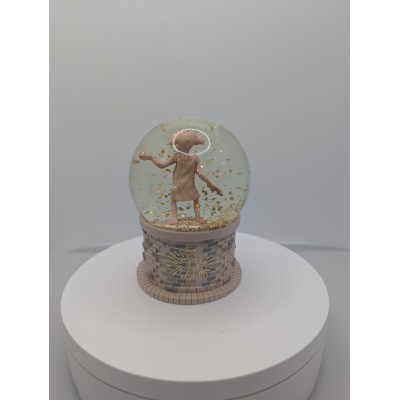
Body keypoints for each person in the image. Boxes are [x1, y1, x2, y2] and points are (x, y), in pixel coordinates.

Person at [139, 130, 221, 224]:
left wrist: (151, 158)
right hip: (190, 185)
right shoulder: (195, 158)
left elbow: (162, 165)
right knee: (195, 200)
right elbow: (200, 174)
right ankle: (198, 218)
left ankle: (174, 219)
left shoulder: (177, 156)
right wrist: (210, 183)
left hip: (178, 184)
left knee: (173, 200)